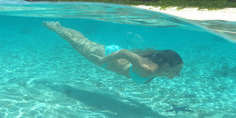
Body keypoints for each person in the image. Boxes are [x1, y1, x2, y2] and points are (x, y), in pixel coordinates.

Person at [43, 21, 183, 84]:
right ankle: (55, 27)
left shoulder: (156, 69)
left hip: (111, 56)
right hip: (106, 56)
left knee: (81, 42)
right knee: (78, 43)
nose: (178, 74)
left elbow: (131, 54)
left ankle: (58, 26)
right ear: (166, 66)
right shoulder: (147, 69)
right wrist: (102, 60)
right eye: (177, 70)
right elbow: (124, 52)